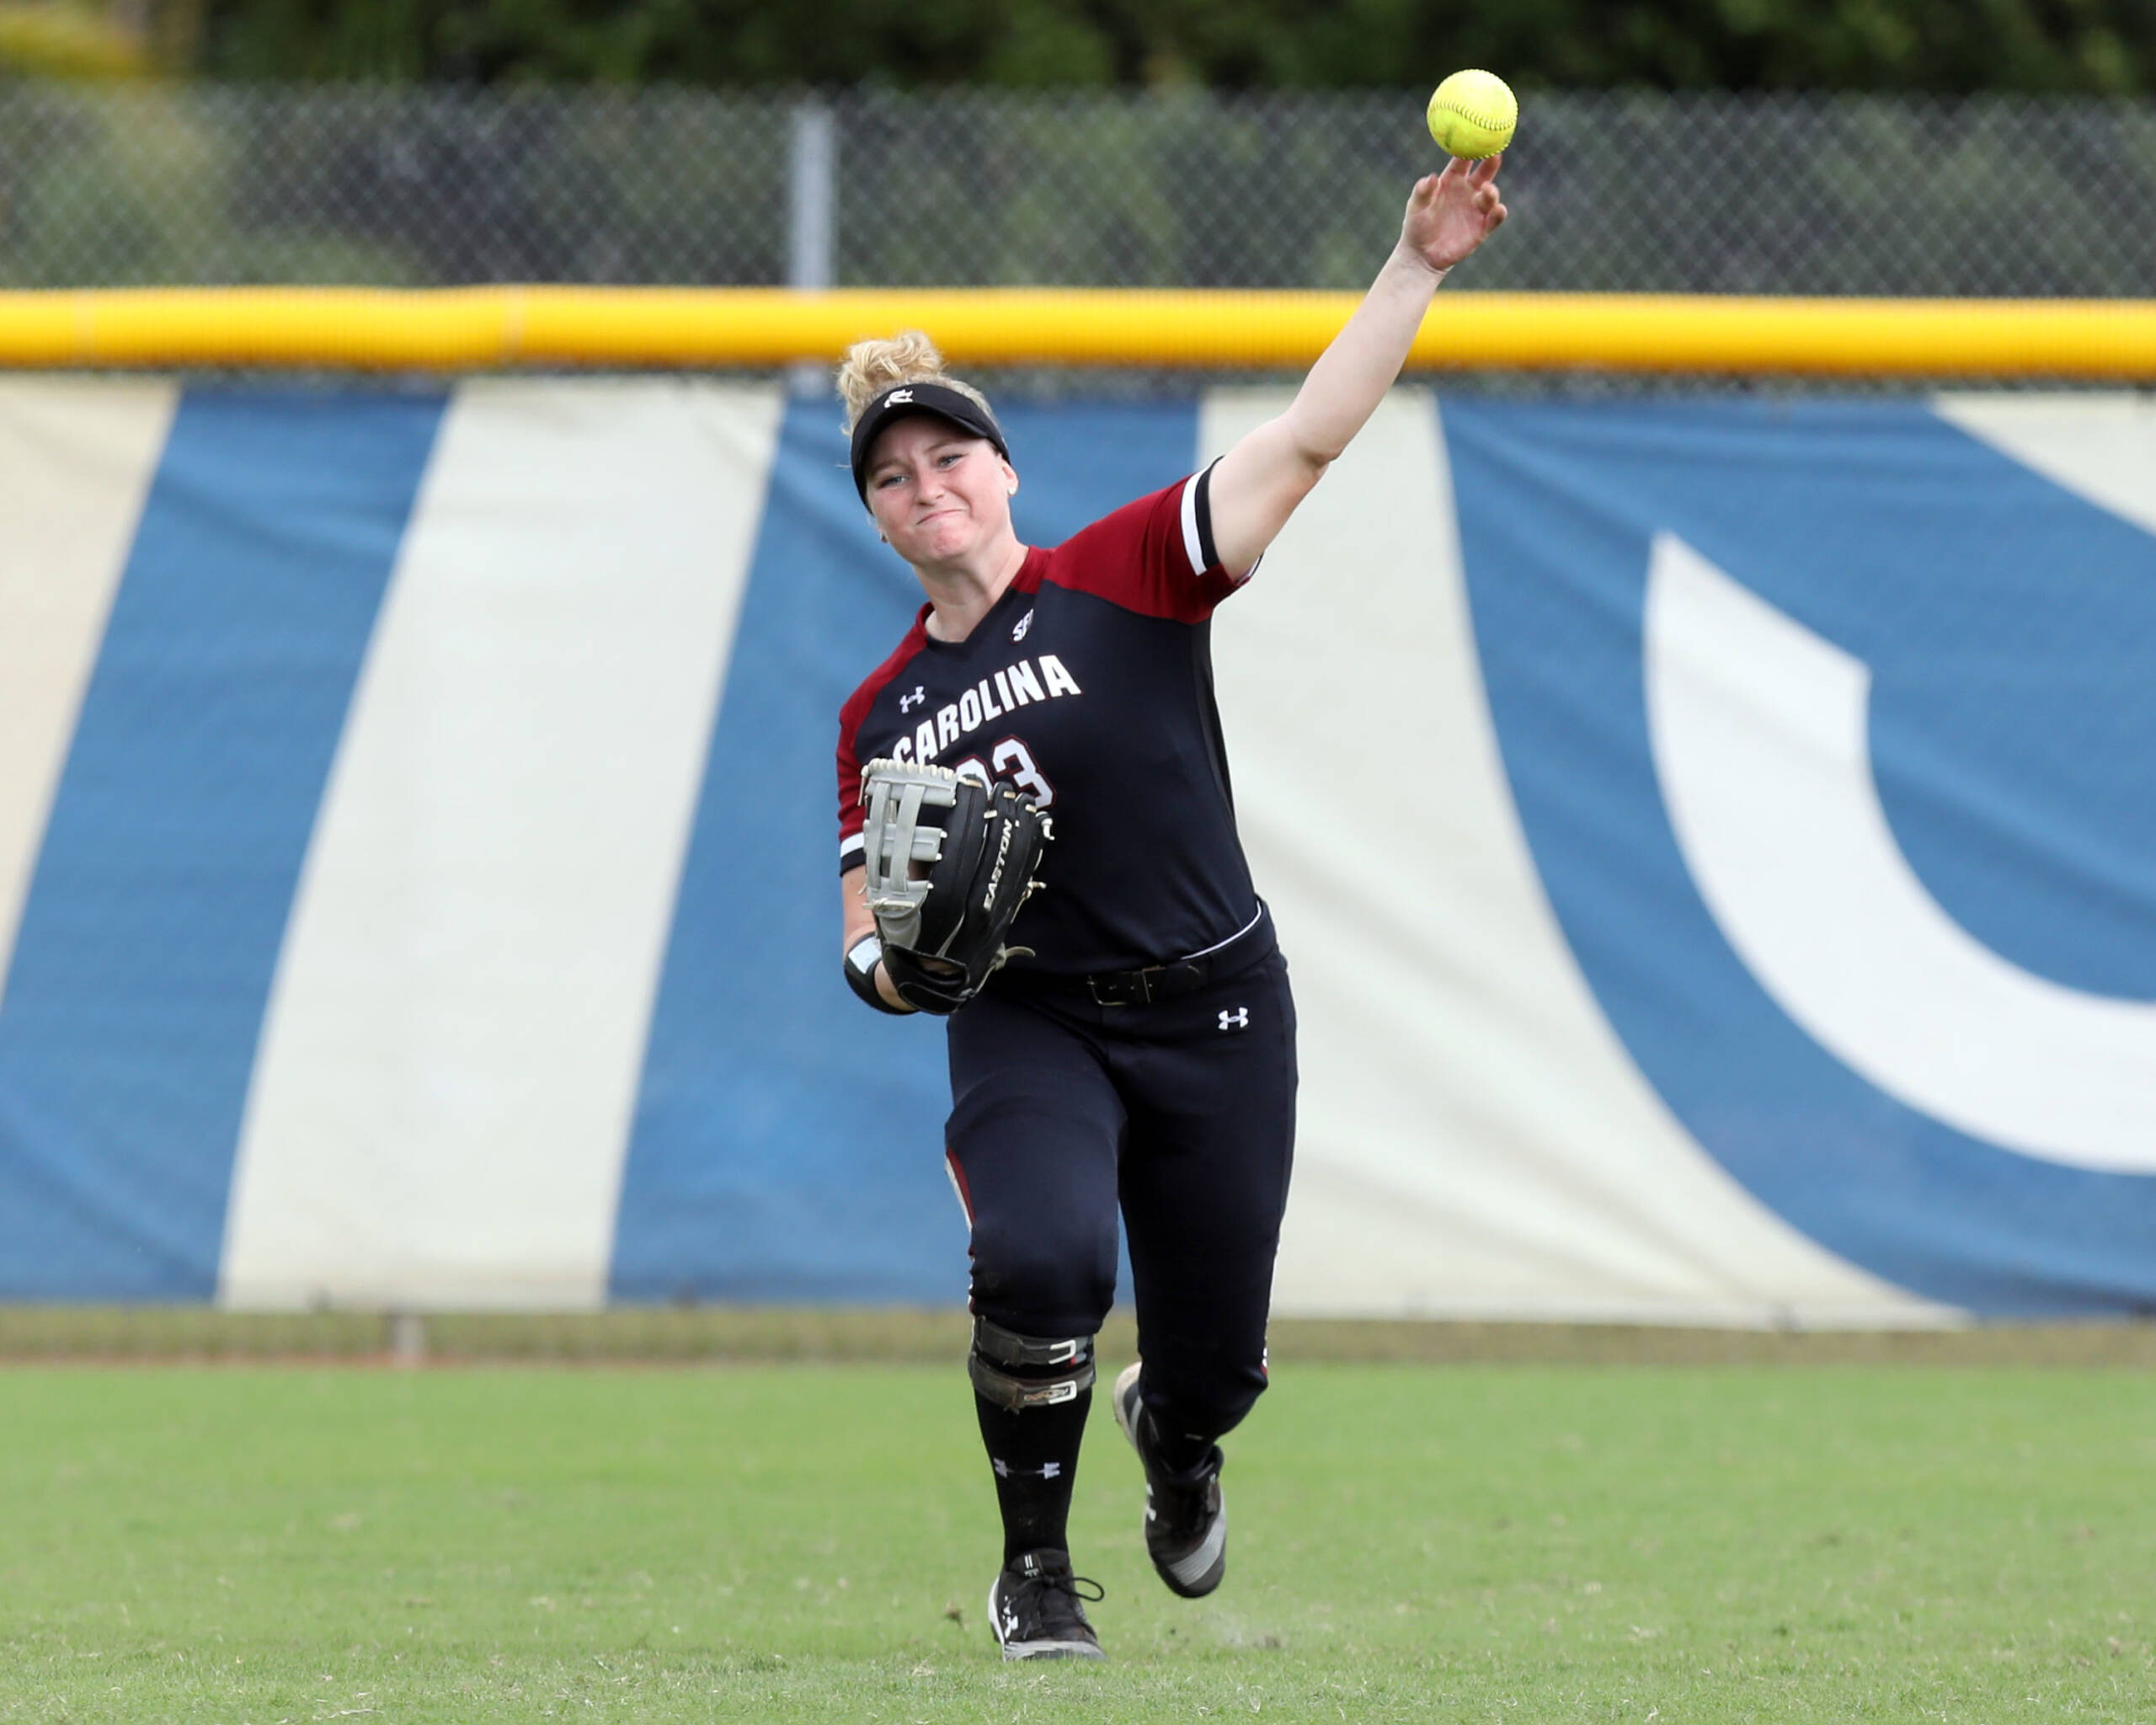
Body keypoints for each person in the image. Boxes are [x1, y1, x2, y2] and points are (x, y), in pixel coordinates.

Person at [833, 155, 1507, 1660]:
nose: (927, 488)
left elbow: (1310, 439)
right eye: (893, 477)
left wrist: (1419, 266)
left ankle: (1177, 1435)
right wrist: (909, 974)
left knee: (1216, 1365)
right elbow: (868, 935)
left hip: (1214, 1006)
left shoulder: (1125, 573)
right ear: (876, 518)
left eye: (950, 460)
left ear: (1005, 472)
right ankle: (1036, 1573)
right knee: (1041, 1261)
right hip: (1031, 1018)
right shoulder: (885, 713)